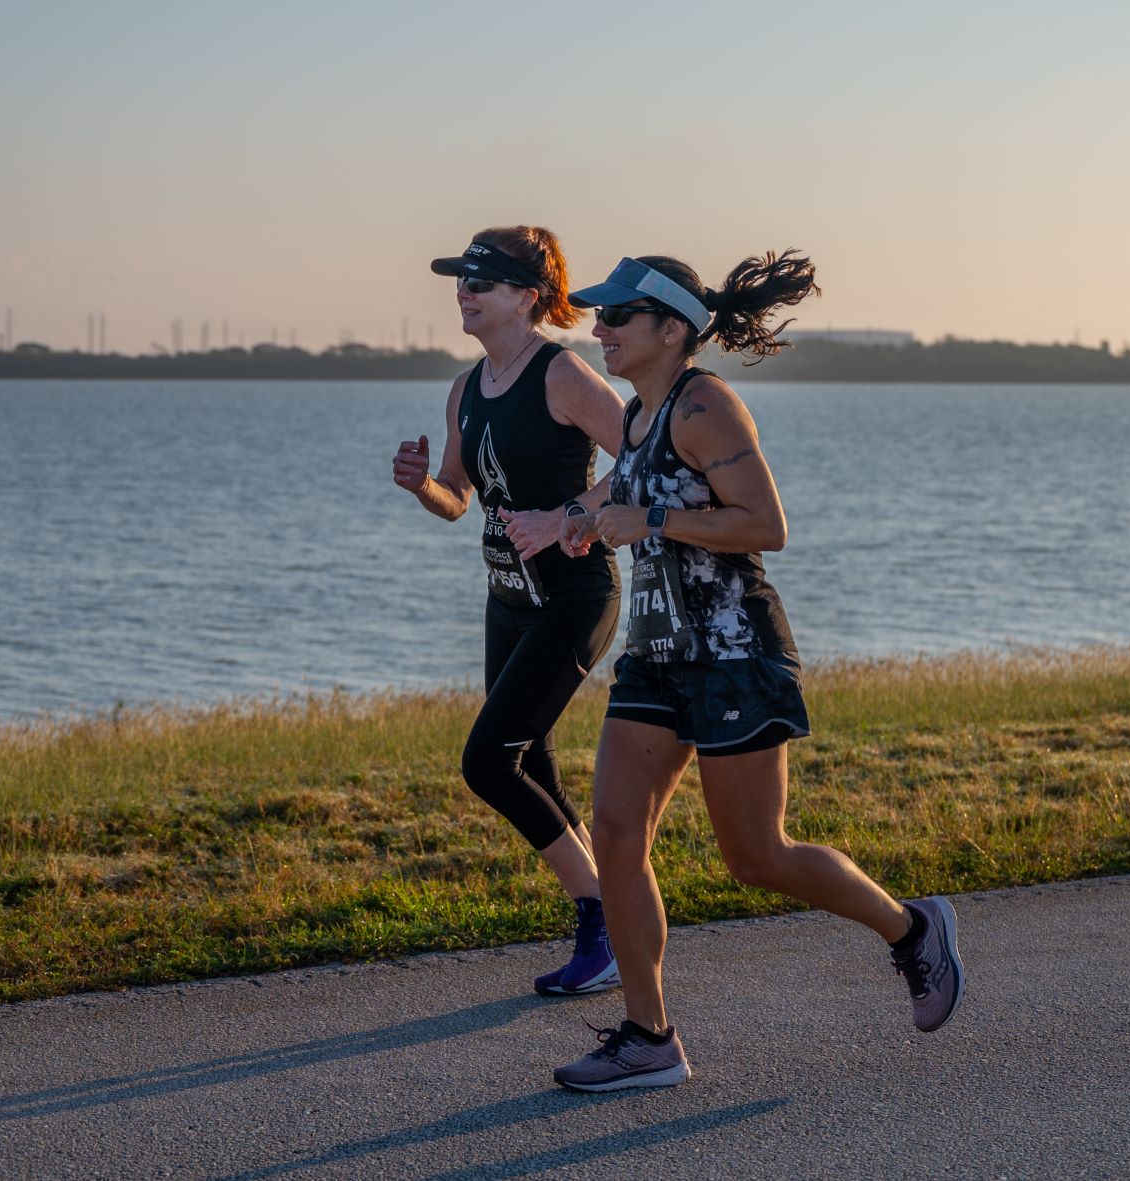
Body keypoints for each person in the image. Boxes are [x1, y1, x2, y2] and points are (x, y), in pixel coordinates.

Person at [550, 252, 965, 1091]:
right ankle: (647, 1036)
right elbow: (623, 495)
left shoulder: (705, 404)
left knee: (756, 855)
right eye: (599, 318)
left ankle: (910, 928)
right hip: (657, 655)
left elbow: (765, 524)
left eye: (615, 317)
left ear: (670, 329)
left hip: (734, 653)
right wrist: (580, 518)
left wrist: (648, 516)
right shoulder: (638, 413)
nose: (599, 331)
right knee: (617, 833)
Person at [393, 227, 631, 995]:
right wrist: (421, 486)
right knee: (529, 761)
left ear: (526, 297)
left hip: (574, 595)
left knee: (487, 762)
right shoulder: (465, 388)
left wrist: (570, 512)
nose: (463, 292)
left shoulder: (563, 374)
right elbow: (459, 499)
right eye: (459, 280)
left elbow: (647, 454)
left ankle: (602, 915)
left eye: (480, 282)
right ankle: (613, 932)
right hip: (508, 599)